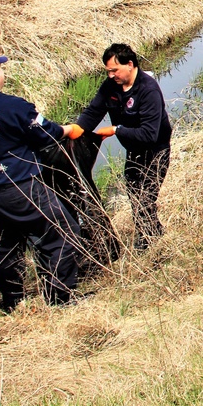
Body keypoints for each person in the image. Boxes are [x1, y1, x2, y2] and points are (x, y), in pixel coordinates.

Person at [0, 51, 83, 312]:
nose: (2, 71)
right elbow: (48, 134)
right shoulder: (14, 106)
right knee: (64, 232)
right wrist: (69, 130)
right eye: (0, 67)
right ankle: (59, 299)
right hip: (21, 188)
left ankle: (11, 301)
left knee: (7, 243)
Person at [76, 43, 172, 251]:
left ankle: (150, 243)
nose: (111, 75)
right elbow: (93, 112)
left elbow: (149, 134)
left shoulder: (148, 90)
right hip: (134, 151)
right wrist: (75, 129)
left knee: (145, 198)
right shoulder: (110, 87)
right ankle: (152, 234)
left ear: (130, 64)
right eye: (108, 71)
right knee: (135, 195)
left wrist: (115, 130)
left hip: (156, 151)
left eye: (114, 70)